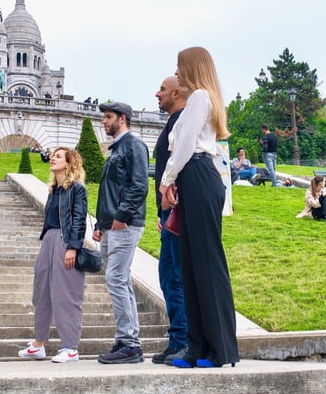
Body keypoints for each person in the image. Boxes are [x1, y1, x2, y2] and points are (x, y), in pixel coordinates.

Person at [160, 46, 239, 369]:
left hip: (197, 174)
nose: (176, 73)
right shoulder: (203, 99)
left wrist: (166, 180)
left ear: (192, 67)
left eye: (180, 67)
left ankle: (218, 349)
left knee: (206, 264)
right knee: (192, 266)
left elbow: (185, 144)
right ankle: (199, 347)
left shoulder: (199, 98)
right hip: (194, 178)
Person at [18, 147, 88, 363]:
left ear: (69, 163)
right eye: (53, 155)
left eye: (58, 156)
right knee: (42, 292)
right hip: (48, 240)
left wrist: (73, 247)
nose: (52, 158)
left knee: (66, 294)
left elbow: (79, 218)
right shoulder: (54, 190)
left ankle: (70, 347)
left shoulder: (77, 189)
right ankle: (39, 344)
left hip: (65, 241)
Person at [92, 101, 149, 365]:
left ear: (122, 119)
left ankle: (129, 343)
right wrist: (99, 223)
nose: (104, 121)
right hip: (111, 225)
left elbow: (139, 186)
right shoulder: (117, 148)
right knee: (118, 279)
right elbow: (109, 190)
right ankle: (126, 340)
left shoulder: (133, 145)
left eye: (108, 117)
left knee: (116, 278)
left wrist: (121, 217)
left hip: (125, 225)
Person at [151, 75, 188, 366]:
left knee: (175, 277)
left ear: (176, 93)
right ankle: (176, 339)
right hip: (167, 212)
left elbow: (179, 165)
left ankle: (183, 341)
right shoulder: (171, 122)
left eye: (162, 89)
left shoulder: (181, 121)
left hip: (174, 208)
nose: (157, 93)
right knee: (167, 278)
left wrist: (170, 207)